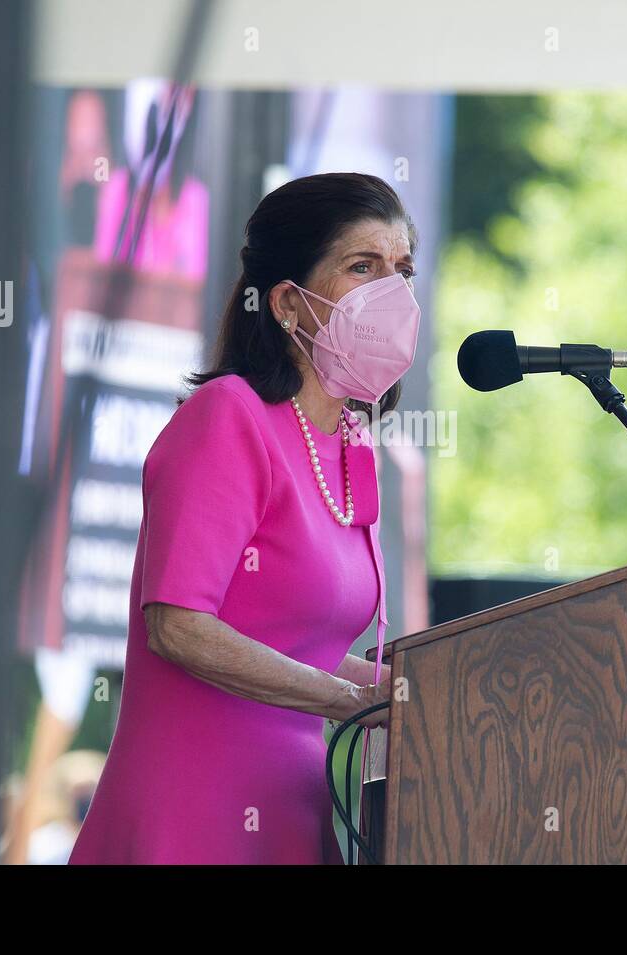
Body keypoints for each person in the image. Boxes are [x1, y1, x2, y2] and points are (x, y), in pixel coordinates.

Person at [68, 172, 421, 864]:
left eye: (403, 270)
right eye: (363, 266)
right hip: (192, 813)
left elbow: (300, 644)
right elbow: (178, 624)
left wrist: (436, 690)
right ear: (288, 302)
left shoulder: (350, 445)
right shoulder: (228, 416)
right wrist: (351, 700)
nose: (394, 293)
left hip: (292, 813)